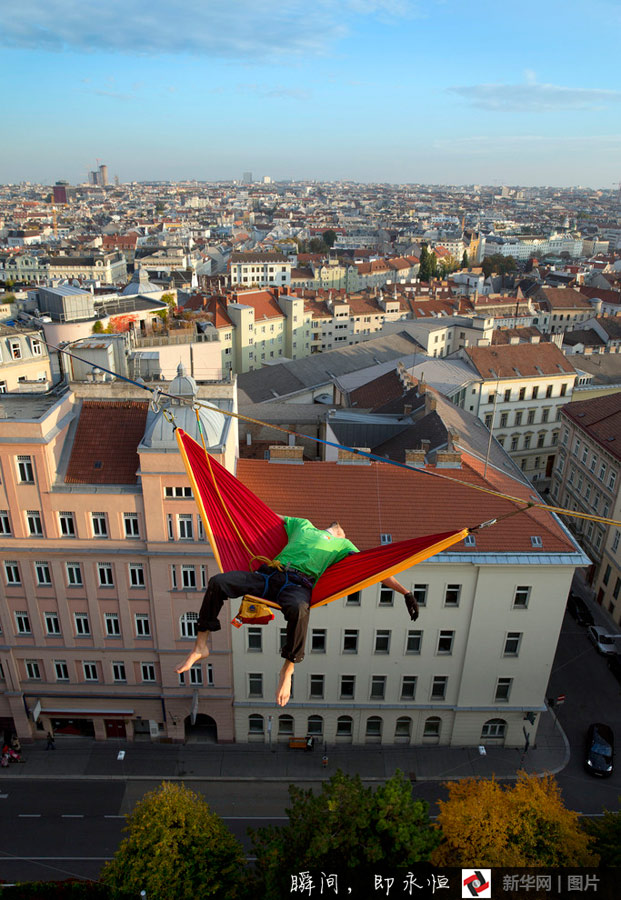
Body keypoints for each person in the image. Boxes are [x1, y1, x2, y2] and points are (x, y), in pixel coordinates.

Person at [176, 516, 419, 706]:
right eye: (345, 532)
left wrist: (405, 592)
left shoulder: (344, 545)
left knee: (300, 610)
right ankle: (201, 645)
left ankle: (287, 670)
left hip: (298, 585)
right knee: (219, 582)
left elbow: (373, 569)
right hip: (269, 574)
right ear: (339, 528)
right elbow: (266, 516)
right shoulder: (303, 525)